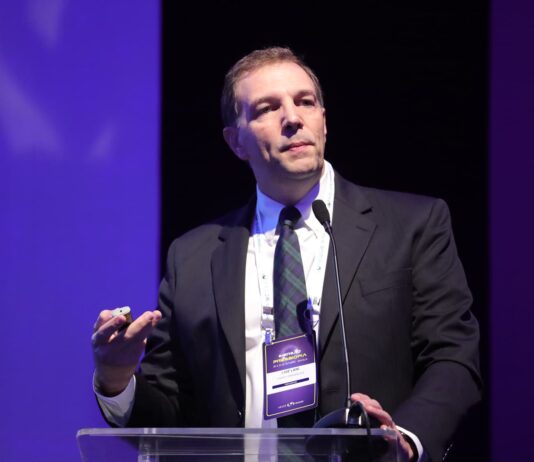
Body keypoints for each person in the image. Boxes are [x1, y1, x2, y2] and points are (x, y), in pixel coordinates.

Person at [92, 47, 481, 462]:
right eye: (267, 108)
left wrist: (403, 440)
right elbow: (170, 416)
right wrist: (117, 380)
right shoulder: (193, 257)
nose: (293, 118)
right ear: (235, 141)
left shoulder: (410, 226)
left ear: (324, 121)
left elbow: (452, 357)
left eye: (305, 102)